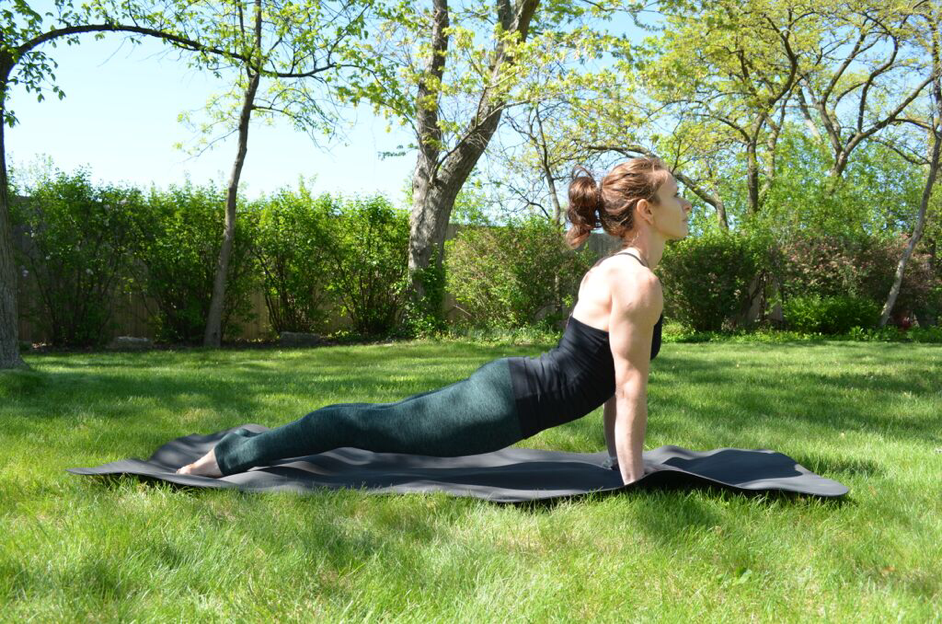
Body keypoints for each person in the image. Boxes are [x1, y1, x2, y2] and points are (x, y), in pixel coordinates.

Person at [176, 156, 692, 485]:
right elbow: (628, 389)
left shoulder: (623, 272)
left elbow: (614, 384)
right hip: (503, 405)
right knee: (360, 424)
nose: (686, 205)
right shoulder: (635, 282)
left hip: (510, 392)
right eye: (675, 195)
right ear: (646, 211)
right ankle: (231, 457)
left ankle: (243, 446)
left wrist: (620, 466)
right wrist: (634, 481)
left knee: (374, 419)